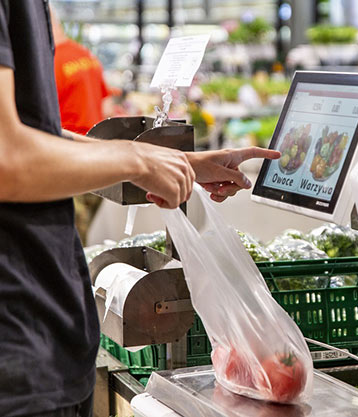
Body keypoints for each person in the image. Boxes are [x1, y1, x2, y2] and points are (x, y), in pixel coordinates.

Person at [0, 2, 279, 416]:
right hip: (16, 353)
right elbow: (7, 156)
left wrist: (173, 162)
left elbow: (35, 135)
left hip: (42, 340)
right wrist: (139, 162)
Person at [51, 8, 112, 135]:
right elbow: (108, 109)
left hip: (67, 145)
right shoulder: (85, 54)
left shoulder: (49, 62)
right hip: (96, 140)